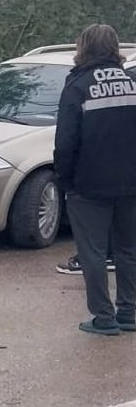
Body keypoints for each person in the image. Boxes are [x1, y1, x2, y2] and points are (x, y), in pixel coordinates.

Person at [54, 24, 136, 336]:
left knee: (93, 253)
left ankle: (104, 317)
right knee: (129, 249)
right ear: (114, 48)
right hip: (131, 182)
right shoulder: (132, 82)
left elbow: (65, 142)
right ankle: (128, 312)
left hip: (89, 185)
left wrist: (65, 181)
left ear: (83, 48)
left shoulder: (78, 85)